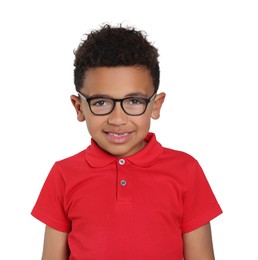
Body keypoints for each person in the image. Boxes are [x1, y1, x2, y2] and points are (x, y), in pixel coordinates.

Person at [31, 23, 222, 260]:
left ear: (156, 105)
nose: (118, 119)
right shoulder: (63, 174)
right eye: (101, 102)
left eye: (134, 101)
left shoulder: (186, 170)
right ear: (79, 108)